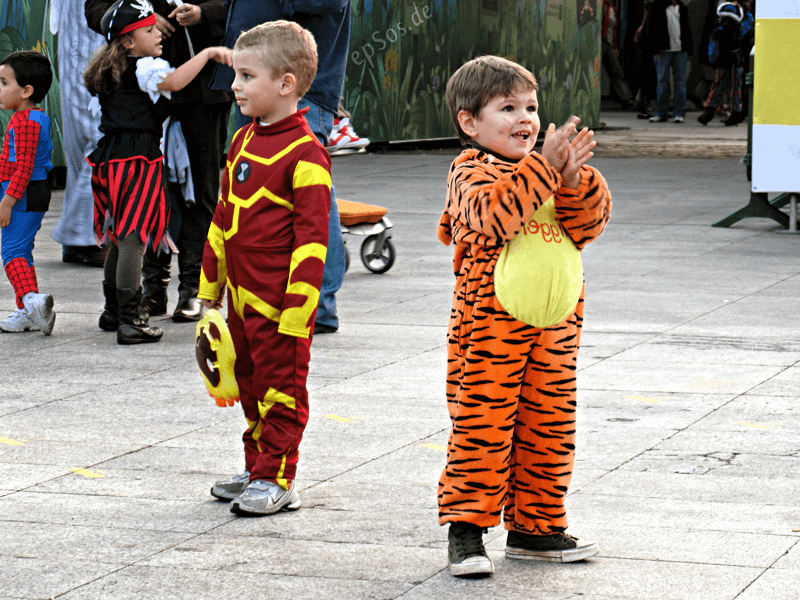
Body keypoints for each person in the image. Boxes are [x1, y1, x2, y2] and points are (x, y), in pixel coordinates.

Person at [437, 56, 612, 577]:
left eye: (531, 108)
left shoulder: (551, 172)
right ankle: (466, 531)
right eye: (508, 107)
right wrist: (544, 169)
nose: (526, 119)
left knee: (549, 427)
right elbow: (497, 215)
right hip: (490, 330)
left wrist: (575, 178)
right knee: (483, 425)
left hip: (555, 327)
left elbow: (589, 225)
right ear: (470, 122)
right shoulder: (470, 171)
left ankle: (536, 526)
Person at [199, 21, 331, 515]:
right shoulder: (241, 141)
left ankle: (278, 476)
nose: (235, 85)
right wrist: (210, 285)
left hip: (281, 307)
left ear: (285, 84)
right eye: (237, 74)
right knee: (247, 384)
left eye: (246, 75)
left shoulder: (307, 153)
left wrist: (297, 311)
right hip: (240, 301)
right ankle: (257, 466)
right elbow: (222, 217)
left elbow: (313, 240)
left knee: (281, 390)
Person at [83, 0, 232, 345]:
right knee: (134, 237)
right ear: (128, 41)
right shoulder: (145, 67)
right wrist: (207, 53)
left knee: (120, 239)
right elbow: (177, 81)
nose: (159, 33)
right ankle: (132, 320)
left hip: (109, 160)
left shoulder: (108, 70)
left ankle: (112, 311)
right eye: (149, 30)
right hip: (137, 161)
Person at [209, 0, 349, 335]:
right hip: (264, 90)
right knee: (248, 191)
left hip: (302, 95)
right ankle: (259, 300)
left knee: (311, 195)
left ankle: (317, 306)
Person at [0, 51, 57, 335]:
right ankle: (29, 312)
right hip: (27, 193)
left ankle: (31, 301)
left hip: (21, 194)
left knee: (11, 252)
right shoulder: (32, 117)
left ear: (26, 91)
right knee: (22, 251)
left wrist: (7, 203)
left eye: (3, 82)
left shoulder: (26, 122)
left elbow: (22, 168)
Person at [50, 0, 108, 267]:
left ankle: (82, 238)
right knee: (94, 139)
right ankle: (85, 238)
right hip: (88, 43)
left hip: (94, 41)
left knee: (91, 141)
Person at [644, 0, 693, 123]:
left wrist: (689, 49)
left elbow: (687, 28)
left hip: (680, 49)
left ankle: (679, 113)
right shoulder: (656, 6)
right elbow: (651, 27)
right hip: (663, 48)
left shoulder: (682, 7)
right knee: (662, 81)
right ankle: (660, 112)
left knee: (680, 82)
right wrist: (654, 48)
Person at [697, 2, 744, 126]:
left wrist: (712, 59)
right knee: (732, 87)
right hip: (734, 59)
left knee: (722, 86)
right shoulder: (738, 28)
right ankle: (734, 114)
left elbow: (712, 51)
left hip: (726, 60)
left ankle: (710, 113)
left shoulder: (719, 31)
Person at [601, 0, 633, 110]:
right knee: (595, 70)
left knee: (616, 70)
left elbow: (613, 30)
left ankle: (625, 98)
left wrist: (615, 46)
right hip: (601, 41)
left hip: (608, 42)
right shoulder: (602, 5)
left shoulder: (613, 8)